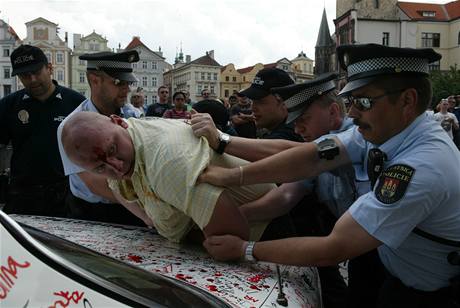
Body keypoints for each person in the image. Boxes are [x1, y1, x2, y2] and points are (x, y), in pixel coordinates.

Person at [198, 44, 460, 307]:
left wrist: (245, 249)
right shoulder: (383, 129)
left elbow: (334, 247)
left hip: (432, 295)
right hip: (397, 271)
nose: (353, 113)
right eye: (352, 101)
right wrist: (234, 176)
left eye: (364, 101)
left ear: (407, 101)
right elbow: (312, 156)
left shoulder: (423, 167)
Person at [60, 112, 276, 245]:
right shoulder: (126, 143)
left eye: (113, 149)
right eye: (100, 167)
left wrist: (185, 237)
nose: (116, 167)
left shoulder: (166, 161)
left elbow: (231, 237)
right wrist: (151, 220)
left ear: (119, 121)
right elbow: (120, 187)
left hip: (268, 235)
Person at [57, 50, 146, 226]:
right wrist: (148, 210)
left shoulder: (135, 115)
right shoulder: (70, 129)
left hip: (133, 207)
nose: (126, 89)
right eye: (119, 82)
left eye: (128, 82)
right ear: (95, 80)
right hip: (91, 213)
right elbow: (96, 183)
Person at [0, 45, 85, 217]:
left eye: (37, 72)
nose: (32, 80)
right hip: (22, 196)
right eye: (25, 75)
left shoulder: (76, 103)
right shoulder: (9, 105)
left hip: (67, 197)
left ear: (50, 68)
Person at [240, 67, 303, 142]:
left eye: (260, 101)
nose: (253, 108)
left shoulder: (290, 134)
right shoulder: (291, 126)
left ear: (284, 102)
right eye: (252, 101)